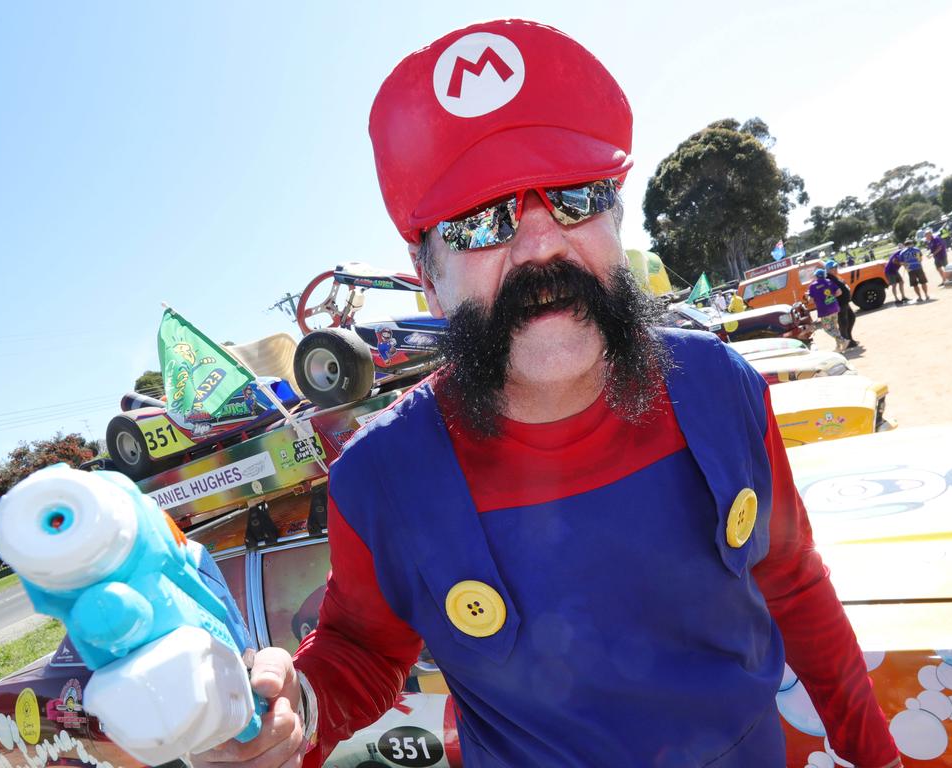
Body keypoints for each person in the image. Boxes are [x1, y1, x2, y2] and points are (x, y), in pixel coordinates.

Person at [198, 20, 901, 768]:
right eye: (479, 220)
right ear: (427, 273)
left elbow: (793, 582)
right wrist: (292, 710)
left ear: (616, 221)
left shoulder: (720, 389)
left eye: (573, 195)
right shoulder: (383, 478)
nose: (541, 244)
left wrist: (877, 755)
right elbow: (362, 650)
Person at [808, 268, 850, 351]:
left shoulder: (813, 286)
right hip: (834, 308)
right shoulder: (829, 281)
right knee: (834, 327)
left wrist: (809, 296)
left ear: (816, 276)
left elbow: (811, 301)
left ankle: (843, 341)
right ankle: (838, 347)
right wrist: (831, 298)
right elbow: (839, 292)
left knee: (827, 329)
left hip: (824, 311)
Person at [825, 259, 858, 348]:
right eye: (834, 267)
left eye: (836, 267)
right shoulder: (828, 279)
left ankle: (849, 338)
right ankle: (845, 341)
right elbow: (829, 293)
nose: (836, 268)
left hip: (844, 302)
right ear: (829, 270)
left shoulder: (835, 276)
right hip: (839, 304)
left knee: (851, 318)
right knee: (843, 322)